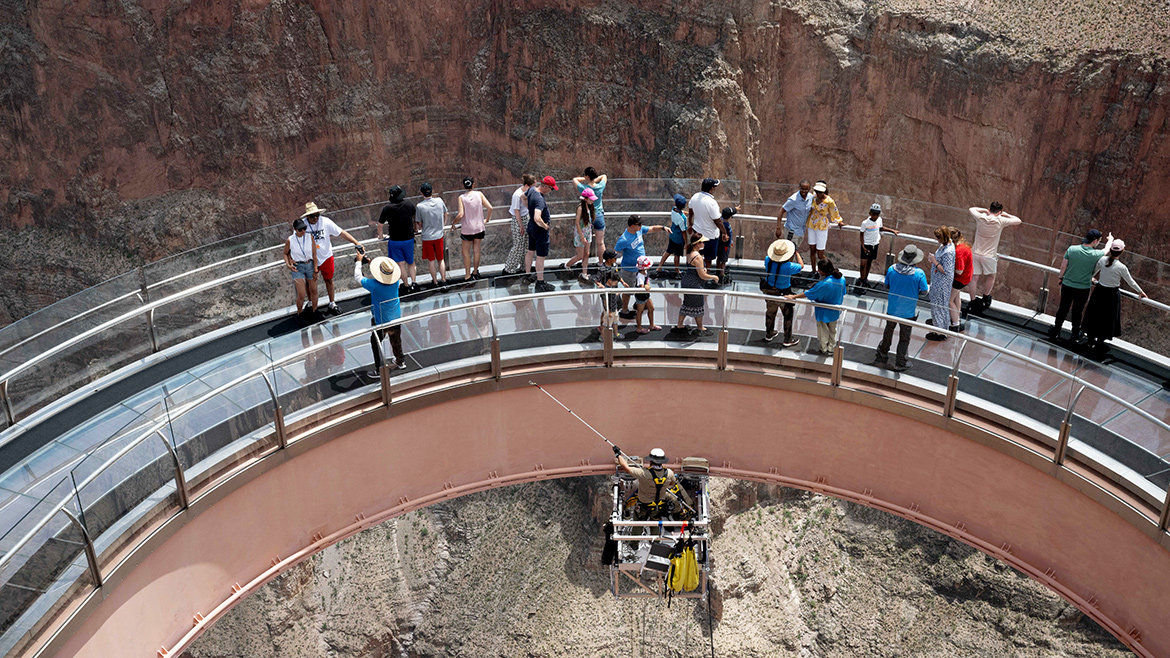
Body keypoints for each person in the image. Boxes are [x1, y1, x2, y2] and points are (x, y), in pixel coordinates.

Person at [1048, 229, 1114, 341]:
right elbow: (1107, 249)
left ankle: (1056, 330)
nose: (1098, 243)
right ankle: (1075, 333)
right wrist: (1110, 240)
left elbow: (1063, 266)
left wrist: (1060, 278)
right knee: (1077, 311)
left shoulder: (1072, 249)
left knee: (1063, 308)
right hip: (1083, 288)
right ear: (1095, 241)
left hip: (1067, 285)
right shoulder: (1095, 254)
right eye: (1098, 241)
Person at [1083, 240, 1148, 351]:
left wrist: (1090, 278)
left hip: (1099, 291)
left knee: (1094, 314)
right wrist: (1140, 292)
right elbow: (1130, 282)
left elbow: (1093, 271)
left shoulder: (1103, 260)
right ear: (1122, 251)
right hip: (1111, 295)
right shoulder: (1121, 267)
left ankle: (1090, 340)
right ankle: (1100, 342)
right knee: (1107, 318)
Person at [302, 201, 365, 315]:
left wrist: (356, 242)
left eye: (317, 215)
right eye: (312, 216)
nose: (315, 218)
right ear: (307, 216)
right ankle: (311, 303)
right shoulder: (302, 225)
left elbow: (341, 232)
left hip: (326, 257)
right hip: (310, 260)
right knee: (309, 283)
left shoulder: (325, 222)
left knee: (329, 280)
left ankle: (332, 303)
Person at [873, 245, 929, 371]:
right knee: (905, 337)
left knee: (888, 330)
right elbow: (925, 292)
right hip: (908, 312)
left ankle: (883, 351)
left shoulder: (892, 269)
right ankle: (901, 361)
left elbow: (886, 286)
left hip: (892, 308)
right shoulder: (919, 274)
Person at [354, 253, 406, 372]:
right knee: (396, 340)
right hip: (396, 317)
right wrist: (369, 262)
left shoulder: (374, 285)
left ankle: (379, 369)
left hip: (381, 320)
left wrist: (358, 262)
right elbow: (383, 276)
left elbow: (358, 277)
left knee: (375, 342)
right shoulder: (395, 281)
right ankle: (400, 360)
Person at [968, 202, 1022, 314]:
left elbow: (971, 209)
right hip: (989, 255)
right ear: (999, 212)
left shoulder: (980, 217)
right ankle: (985, 298)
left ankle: (973, 301)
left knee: (974, 278)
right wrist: (1006, 215)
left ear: (989, 209)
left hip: (975, 253)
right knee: (991, 277)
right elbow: (1018, 220)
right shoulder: (1001, 220)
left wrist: (984, 210)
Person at [785, 259, 847, 356]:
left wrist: (794, 297)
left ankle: (823, 349)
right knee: (832, 330)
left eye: (819, 269)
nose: (818, 271)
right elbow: (843, 292)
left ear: (823, 271)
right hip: (835, 310)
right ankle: (831, 348)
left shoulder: (823, 284)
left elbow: (810, 293)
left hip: (823, 311)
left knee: (823, 331)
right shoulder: (841, 278)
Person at [614, 447, 693, 521]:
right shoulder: (669, 473)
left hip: (643, 504)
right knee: (655, 520)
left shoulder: (643, 473)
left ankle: (637, 533)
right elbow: (672, 483)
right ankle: (655, 533)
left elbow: (626, 468)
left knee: (638, 521)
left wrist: (618, 455)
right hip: (658, 505)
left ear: (651, 460)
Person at [614, 214, 671, 317]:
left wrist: (663, 228)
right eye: (639, 224)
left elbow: (652, 228)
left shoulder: (639, 230)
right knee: (628, 291)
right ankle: (624, 310)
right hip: (629, 269)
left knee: (640, 285)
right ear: (632, 225)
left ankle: (638, 303)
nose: (641, 225)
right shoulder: (624, 239)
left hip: (641, 267)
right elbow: (614, 252)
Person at [673, 235, 721, 335]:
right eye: (702, 242)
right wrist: (714, 277)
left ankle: (680, 325)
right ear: (697, 244)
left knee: (686, 304)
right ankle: (700, 327)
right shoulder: (698, 257)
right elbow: (702, 275)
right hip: (694, 283)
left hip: (687, 281)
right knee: (698, 305)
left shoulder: (690, 252)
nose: (704, 244)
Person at [761, 239, 804, 346]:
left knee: (770, 313)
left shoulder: (768, 260)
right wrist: (797, 253)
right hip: (784, 293)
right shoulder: (789, 266)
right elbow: (801, 266)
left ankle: (769, 334)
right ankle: (787, 339)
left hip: (769, 290)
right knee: (787, 315)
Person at [377, 185, 420, 294]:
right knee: (411, 262)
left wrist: (381, 236)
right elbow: (415, 218)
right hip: (408, 239)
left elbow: (380, 224)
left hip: (395, 241)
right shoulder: (408, 204)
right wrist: (416, 229)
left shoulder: (387, 208)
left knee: (400, 265)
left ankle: (406, 285)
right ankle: (414, 283)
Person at [455, 177, 492, 281]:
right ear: (473, 185)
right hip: (479, 227)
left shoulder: (461, 197)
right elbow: (490, 208)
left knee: (465, 252)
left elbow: (461, 214)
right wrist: (487, 220)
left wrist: (453, 223)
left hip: (467, 229)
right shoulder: (479, 194)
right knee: (476, 251)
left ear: (464, 186)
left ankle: (467, 275)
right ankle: (475, 273)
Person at [688, 178, 730, 269]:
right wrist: (724, 232)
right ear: (711, 189)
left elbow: (691, 213)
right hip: (710, 236)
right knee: (708, 259)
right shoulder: (712, 203)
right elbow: (718, 221)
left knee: (697, 254)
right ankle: (705, 277)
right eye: (714, 187)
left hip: (697, 232)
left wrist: (690, 225)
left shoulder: (694, 197)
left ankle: (697, 274)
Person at [525, 176, 558, 292]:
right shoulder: (539, 199)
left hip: (531, 227)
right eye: (551, 189)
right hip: (539, 231)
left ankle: (527, 275)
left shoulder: (532, 190)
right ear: (546, 187)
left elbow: (522, 197)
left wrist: (529, 208)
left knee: (530, 251)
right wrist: (545, 226)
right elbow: (537, 217)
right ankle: (540, 282)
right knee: (540, 257)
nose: (551, 191)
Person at [857, 203, 898, 293]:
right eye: (873, 214)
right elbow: (861, 234)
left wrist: (892, 230)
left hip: (875, 244)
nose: (875, 216)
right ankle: (862, 280)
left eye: (877, 214)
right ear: (870, 213)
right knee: (863, 264)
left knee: (869, 263)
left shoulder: (879, 220)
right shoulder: (865, 223)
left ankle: (865, 279)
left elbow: (881, 228)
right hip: (866, 245)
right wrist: (863, 246)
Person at [415, 183, 449, 288]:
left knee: (431, 261)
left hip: (427, 237)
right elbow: (446, 213)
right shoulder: (439, 201)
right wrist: (442, 225)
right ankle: (443, 280)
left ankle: (435, 282)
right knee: (441, 259)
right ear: (432, 190)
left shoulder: (419, 206)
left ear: (421, 193)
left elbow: (419, 223)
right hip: (439, 236)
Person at [283, 218, 318, 315]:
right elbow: (285, 253)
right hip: (298, 267)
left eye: (304, 228)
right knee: (301, 294)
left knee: (314, 290)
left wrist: (315, 270)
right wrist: (288, 264)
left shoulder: (309, 237)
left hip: (310, 265)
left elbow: (314, 254)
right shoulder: (290, 240)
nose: (303, 231)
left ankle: (315, 312)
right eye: (300, 229)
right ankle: (299, 313)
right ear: (295, 229)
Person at [925, 226, 955, 341]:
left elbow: (946, 270)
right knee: (939, 304)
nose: (937, 240)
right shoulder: (946, 245)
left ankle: (940, 331)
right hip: (938, 280)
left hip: (941, 283)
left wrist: (934, 261)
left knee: (939, 305)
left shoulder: (948, 251)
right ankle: (941, 325)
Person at [574, 167, 609, 265]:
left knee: (585, 242)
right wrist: (594, 179)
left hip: (587, 217)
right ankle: (602, 264)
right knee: (600, 243)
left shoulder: (584, 188)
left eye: (584, 175)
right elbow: (604, 176)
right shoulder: (600, 186)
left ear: (587, 176)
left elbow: (575, 179)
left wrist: (586, 179)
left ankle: (584, 266)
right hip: (598, 215)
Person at [805, 181, 845, 265]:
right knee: (812, 251)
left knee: (820, 254)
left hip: (822, 226)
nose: (818, 193)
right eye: (816, 191)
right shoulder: (813, 197)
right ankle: (814, 271)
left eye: (820, 192)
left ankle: (830, 270)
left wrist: (839, 221)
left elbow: (834, 212)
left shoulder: (829, 201)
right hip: (811, 225)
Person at [505, 175, 535, 275]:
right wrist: (521, 226)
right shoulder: (517, 195)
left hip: (526, 218)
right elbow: (516, 211)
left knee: (526, 245)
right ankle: (509, 268)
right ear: (527, 185)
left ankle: (524, 266)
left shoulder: (527, 193)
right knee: (518, 246)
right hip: (518, 220)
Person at [564, 187, 596, 279]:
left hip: (588, 233)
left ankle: (584, 273)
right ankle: (567, 266)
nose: (592, 201)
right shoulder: (580, 208)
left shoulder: (589, 207)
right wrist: (582, 237)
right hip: (580, 234)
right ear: (586, 199)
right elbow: (577, 223)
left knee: (587, 254)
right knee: (580, 255)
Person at [654, 194, 689, 279]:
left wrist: (684, 213)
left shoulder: (673, 209)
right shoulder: (683, 218)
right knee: (677, 255)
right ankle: (677, 271)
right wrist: (686, 242)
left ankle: (659, 267)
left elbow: (679, 212)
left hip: (672, 234)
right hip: (679, 239)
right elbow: (683, 231)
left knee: (668, 251)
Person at [776, 180, 813, 248]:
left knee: (794, 251)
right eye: (802, 189)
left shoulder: (810, 197)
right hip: (792, 232)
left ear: (810, 189)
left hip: (801, 231)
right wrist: (778, 228)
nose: (804, 191)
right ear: (799, 187)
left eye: (806, 189)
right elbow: (781, 211)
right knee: (789, 252)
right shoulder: (793, 200)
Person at [948, 227, 972, 332]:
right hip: (966, 277)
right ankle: (956, 318)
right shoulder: (964, 246)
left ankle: (955, 323)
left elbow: (959, 270)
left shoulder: (959, 251)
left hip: (960, 278)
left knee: (949, 301)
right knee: (956, 298)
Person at [633, 256, 660, 333]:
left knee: (651, 308)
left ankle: (651, 325)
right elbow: (641, 285)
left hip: (646, 294)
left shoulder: (644, 272)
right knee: (640, 311)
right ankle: (639, 328)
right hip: (641, 295)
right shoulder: (640, 275)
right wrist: (645, 286)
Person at [714, 206, 737, 284]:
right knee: (723, 261)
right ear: (730, 217)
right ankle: (721, 276)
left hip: (719, 244)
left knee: (719, 258)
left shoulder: (720, 221)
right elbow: (725, 238)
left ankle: (717, 271)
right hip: (725, 246)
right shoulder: (726, 225)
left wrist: (735, 209)